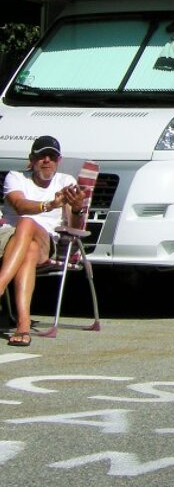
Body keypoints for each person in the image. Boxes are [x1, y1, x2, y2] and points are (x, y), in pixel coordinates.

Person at [0, 135, 88, 346]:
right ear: (32, 159)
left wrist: (76, 208)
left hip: (45, 242)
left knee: (28, 224)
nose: (47, 160)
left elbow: (74, 228)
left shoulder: (66, 182)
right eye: (41, 156)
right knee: (27, 245)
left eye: (52, 156)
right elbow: (19, 205)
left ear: (59, 160)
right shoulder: (16, 177)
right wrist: (49, 205)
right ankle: (23, 325)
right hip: (8, 239)